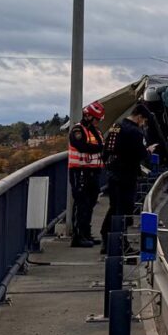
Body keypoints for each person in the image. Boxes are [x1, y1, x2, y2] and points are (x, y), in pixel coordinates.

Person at [102, 105, 153, 245]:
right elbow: (141, 154)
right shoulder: (135, 132)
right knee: (124, 210)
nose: (143, 124)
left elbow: (106, 151)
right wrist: (148, 151)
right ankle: (120, 243)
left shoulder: (116, 126)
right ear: (139, 117)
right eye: (144, 121)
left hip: (112, 172)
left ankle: (106, 239)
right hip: (127, 174)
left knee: (114, 207)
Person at [67, 101, 106, 248]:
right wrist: (99, 148)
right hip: (80, 171)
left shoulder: (95, 131)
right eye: (96, 119)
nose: (98, 122)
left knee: (90, 203)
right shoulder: (78, 130)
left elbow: (100, 147)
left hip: (93, 172)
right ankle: (78, 236)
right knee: (81, 203)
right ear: (88, 116)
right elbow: (82, 146)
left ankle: (86, 233)